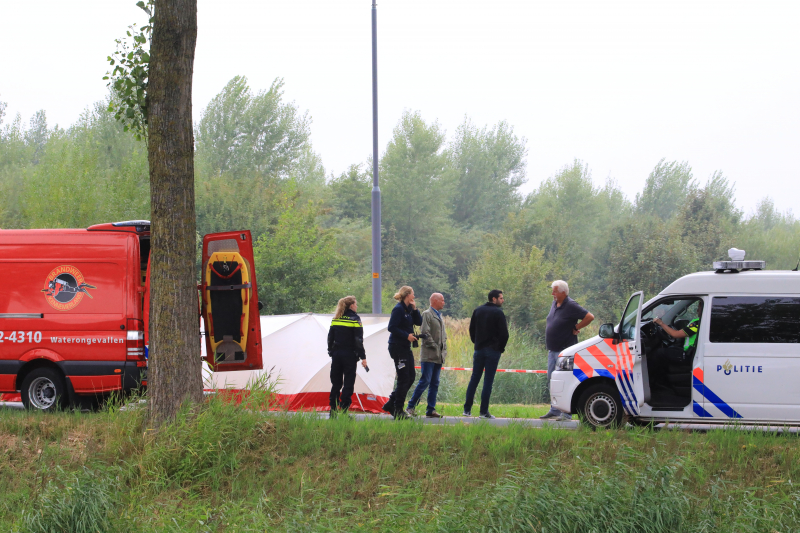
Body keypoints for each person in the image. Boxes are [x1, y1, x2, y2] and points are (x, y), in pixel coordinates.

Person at [540, 280, 594, 420]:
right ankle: (555, 409)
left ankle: (566, 413)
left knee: (564, 380)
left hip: (565, 351)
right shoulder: (555, 303)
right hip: (552, 350)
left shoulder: (571, 305)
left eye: (555, 291)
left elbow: (589, 317)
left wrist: (577, 327)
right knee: (552, 379)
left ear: (563, 292)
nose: (553, 293)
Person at [463, 289, 509, 419]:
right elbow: (504, 334)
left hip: (479, 349)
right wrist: (500, 348)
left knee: (474, 378)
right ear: (494, 299)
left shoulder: (478, 310)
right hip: (493, 351)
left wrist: (476, 342)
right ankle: (483, 411)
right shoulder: (498, 313)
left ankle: (467, 409)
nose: (503, 300)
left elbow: (471, 330)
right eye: (501, 298)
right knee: (488, 381)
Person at [381, 286, 422, 419]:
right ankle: (398, 409)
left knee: (411, 377)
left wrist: (415, 309)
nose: (414, 297)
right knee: (403, 377)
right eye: (413, 295)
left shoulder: (408, 309)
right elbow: (391, 327)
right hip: (397, 346)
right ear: (407, 295)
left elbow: (419, 322)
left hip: (405, 347)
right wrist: (406, 336)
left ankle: (391, 403)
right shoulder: (398, 309)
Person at [406, 293, 447, 418]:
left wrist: (443, 350)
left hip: (439, 356)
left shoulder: (439, 316)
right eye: (442, 300)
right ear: (435, 301)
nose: (444, 302)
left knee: (435, 382)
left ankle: (431, 409)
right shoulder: (427, 314)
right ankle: (410, 406)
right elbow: (425, 333)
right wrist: (435, 346)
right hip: (429, 355)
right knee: (425, 381)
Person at [327, 296, 368, 417]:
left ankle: (333, 410)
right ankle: (344, 410)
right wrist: (363, 357)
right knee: (348, 383)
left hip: (337, 355)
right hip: (350, 355)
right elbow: (358, 340)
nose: (357, 306)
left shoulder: (336, 319)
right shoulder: (355, 319)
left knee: (336, 383)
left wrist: (331, 351)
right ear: (351, 306)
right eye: (356, 304)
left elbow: (330, 338)